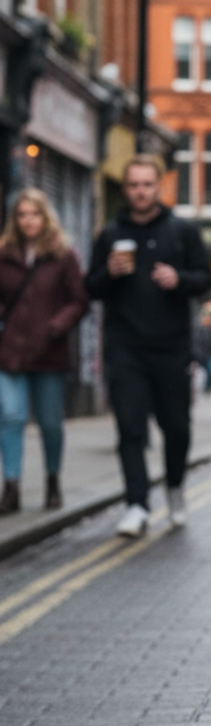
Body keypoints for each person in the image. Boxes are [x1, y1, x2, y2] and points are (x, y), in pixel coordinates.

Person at [86, 155, 211, 537]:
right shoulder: (110, 235)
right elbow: (89, 287)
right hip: (125, 347)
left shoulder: (182, 232)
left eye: (147, 185)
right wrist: (108, 274)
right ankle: (137, 505)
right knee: (130, 429)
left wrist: (180, 279)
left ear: (159, 187)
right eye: (133, 185)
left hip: (171, 346)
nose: (140, 192)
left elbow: (205, 278)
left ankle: (174, 487)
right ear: (125, 189)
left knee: (176, 428)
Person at [0, 189, 89, 515]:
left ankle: (52, 479)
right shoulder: (4, 254)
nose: (28, 221)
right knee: (10, 418)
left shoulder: (63, 255)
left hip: (49, 353)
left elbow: (80, 301)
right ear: (15, 219)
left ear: (45, 216)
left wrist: (56, 326)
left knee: (51, 422)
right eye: (22, 214)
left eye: (34, 214)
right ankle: (11, 486)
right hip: (10, 353)